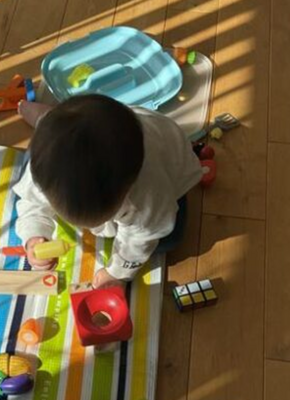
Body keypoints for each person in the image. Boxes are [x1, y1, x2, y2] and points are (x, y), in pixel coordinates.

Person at [13, 94, 202, 288]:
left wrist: (117, 273)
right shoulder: (46, 169)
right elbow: (31, 201)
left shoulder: (147, 193)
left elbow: (143, 237)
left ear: (127, 192)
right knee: (59, 135)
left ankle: (47, 117)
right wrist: (34, 235)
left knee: (168, 239)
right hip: (110, 129)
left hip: (171, 164)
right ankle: (46, 117)